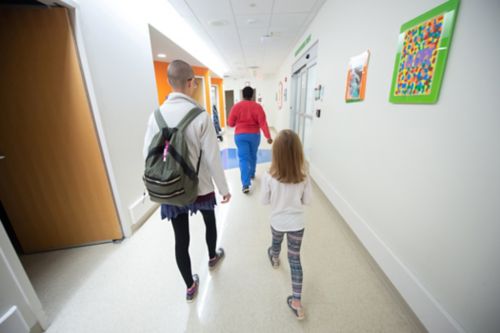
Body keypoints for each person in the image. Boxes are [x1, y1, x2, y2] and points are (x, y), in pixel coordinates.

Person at [143, 59, 231, 302]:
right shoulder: (201, 116)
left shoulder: (156, 116)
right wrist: (223, 189)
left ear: (169, 82)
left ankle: (190, 286)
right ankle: (213, 257)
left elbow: (146, 155)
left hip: (172, 188)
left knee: (180, 239)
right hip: (200, 186)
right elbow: (213, 157)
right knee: (209, 222)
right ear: (191, 82)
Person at [260, 129, 311, 320]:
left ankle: (274, 259)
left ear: (276, 153)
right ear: (298, 152)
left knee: (275, 243)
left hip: (278, 222)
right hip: (297, 223)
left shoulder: (268, 175)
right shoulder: (304, 175)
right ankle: (297, 303)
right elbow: (308, 200)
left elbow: (264, 201)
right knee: (295, 259)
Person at [228, 86, 272, 193]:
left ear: (242, 95)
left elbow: (230, 123)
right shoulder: (258, 107)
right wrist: (268, 136)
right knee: (253, 155)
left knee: (243, 159)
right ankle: (252, 173)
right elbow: (263, 123)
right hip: (254, 135)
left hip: (240, 136)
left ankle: (245, 185)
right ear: (252, 95)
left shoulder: (236, 106)